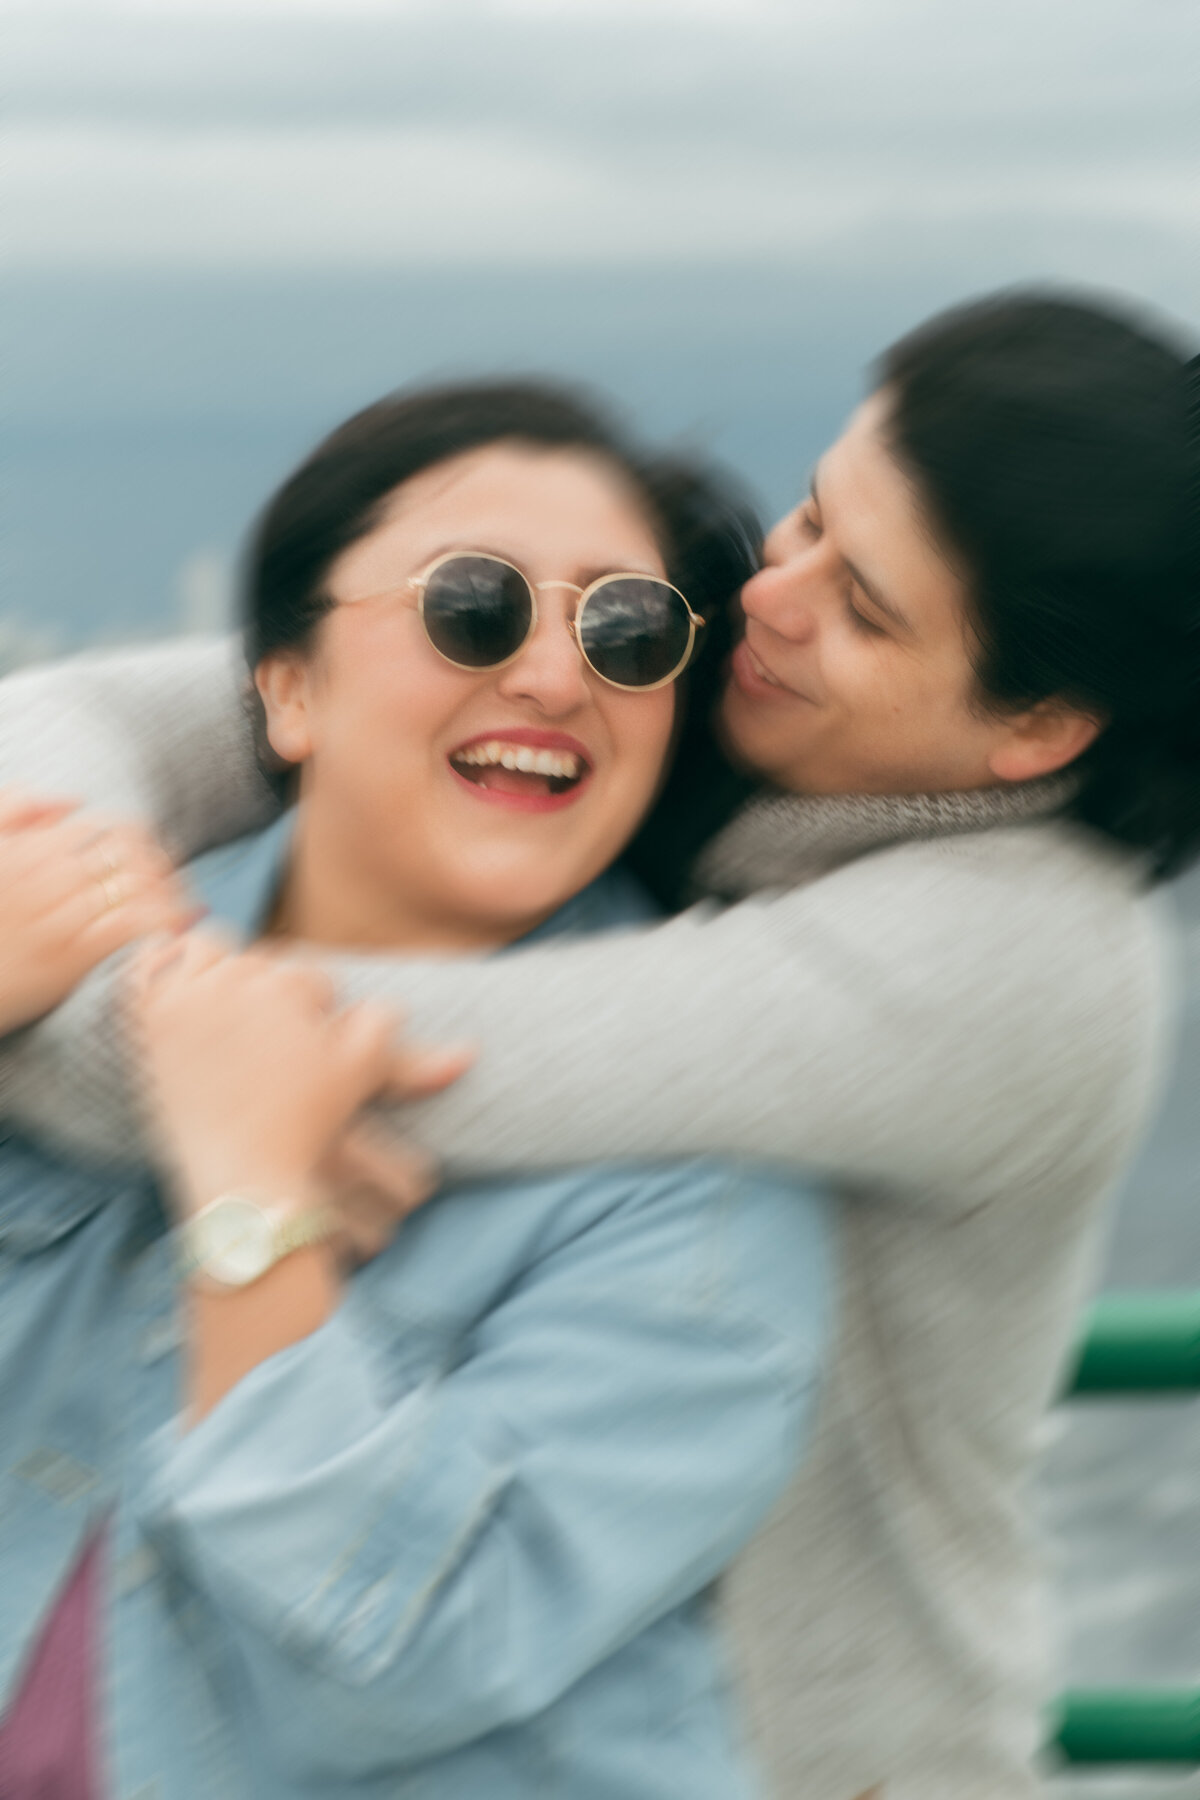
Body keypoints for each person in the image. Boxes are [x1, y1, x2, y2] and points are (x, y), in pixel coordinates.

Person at [2, 289, 1197, 1799]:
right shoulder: (691, 673)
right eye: (813, 516)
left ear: (1034, 730)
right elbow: (100, 711)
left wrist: (64, 994)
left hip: (799, 1757)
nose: (775, 599)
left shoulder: (1023, 965)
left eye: (867, 603)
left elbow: (341, 1052)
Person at [0, 381, 833, 1799]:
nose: (559, 680)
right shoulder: (69, 962)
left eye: (627, 634)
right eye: (477, 607)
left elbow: (407, 1662)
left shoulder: (696, 1175)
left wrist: (252, 1205)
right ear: (287, 683)